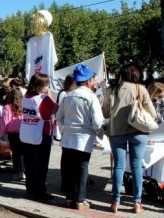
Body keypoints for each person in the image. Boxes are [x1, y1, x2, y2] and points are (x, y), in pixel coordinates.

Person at [102, 63, 157, 214]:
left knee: (119, 166)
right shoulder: (141, 89)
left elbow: (105, 113)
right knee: (136, 166)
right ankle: (137, 203)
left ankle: (115, 201)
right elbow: (152, 114)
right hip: (138, 131)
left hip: (116, 132)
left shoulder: (112, 89)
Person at [56, 64, 104, 210]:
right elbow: (97, 122)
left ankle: (70, 198)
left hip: (68, 137)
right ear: (88, 81)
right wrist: (98, 133)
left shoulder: (68, 95)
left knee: (69, 169)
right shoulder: (91, 97)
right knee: (82, 168)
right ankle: (80, 200)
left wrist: (69, 127)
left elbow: (59, 118)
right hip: (84, 138)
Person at [19, 73, 58, 201]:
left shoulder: (26, 96)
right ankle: (40, 192)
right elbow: (57, 109)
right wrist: (50, 97)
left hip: (26, 132)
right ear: (41, 86)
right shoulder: (43, 99)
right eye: (47, 85)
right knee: (41, 165)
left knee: (29, 163)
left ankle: (30, 189)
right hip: (41, 133)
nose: (48, 87)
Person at [1, 88, 25, 180]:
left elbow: (5, 122)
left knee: (15, 153)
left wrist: (2, 133)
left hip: (12, 133)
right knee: (22, 152)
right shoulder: (23, 106)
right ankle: (22, 171)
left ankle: (16, 171)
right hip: (22, 131)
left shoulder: (7, 107)